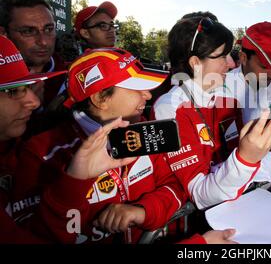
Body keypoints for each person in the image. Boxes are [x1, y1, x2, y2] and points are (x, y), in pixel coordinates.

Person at [11, 48, 188, 244]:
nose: (147, 95)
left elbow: (175, 187)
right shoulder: (41, 152)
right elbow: (32, 233)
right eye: (137, 88)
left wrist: (143, 211)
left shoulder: (145, 130)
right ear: (99, 98)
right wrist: (73, 181)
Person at [0, 35, 137, 243]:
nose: (35, 101)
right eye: (12, 91)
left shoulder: (13, 150)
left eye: (28, 87)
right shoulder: (38, 151)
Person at [152, 16, 271, 210]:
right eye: (223, 56)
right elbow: (199, 193)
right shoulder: (169, 108)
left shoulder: (228, 100)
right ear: (195, 62)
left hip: (239, 211)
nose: (232, 64)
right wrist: (246, 158)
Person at [225, 22, 271, 185]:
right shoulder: (221, 90)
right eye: (264, 66)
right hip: (234, 185)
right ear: (243, 58)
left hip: (266, 179)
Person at [0, 0, 66, 111]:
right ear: (3, 34)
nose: (43, 41)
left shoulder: (72, 76)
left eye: (48, 29)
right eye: (28, 31)